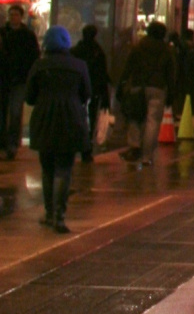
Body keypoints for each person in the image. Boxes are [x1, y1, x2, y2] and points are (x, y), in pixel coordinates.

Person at [24, 27, 90, 232]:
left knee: (47, 167)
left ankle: (49, 212)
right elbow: (86, 93)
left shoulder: (40, 65)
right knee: (64, 168)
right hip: (71, 117)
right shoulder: (79, 66)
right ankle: (60, 216)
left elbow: (30, 96)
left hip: (44, 118)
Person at [119, 22, 176, 168]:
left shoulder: (138, 47)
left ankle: (134, 146)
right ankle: (146, 156)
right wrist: (171, 93)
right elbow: (171, 74)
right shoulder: (166, 50)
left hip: (138, 86)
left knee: (135, 117)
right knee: (153, 121)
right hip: (158, 88)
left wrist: (122, 85)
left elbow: (128, 67)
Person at [1, 4, 40, 159]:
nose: (13, 18)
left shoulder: (27, 36)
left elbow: (33, 57)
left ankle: (11, 144)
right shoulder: (4, 33)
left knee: (15, 112)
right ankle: (5, 143)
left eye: (16, 15)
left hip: (18, 80)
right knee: (5, 111)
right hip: (5, 79)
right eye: (11, 15)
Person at [73, 25, 111, 162]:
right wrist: (105, 96)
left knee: (76, 118)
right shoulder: (98, 52)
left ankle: (77, 145)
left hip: (76, 91)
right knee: (91, 119)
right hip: (93, 90)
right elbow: (102, 75)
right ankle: (86, 149)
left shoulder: (75, 51)